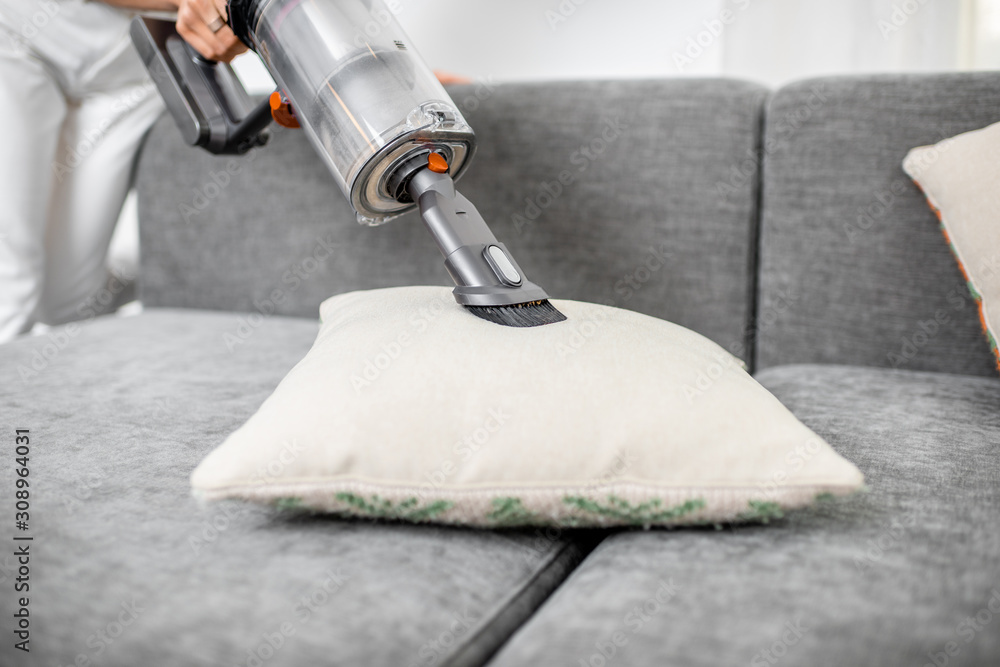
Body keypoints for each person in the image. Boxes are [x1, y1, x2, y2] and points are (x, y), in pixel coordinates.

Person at [0, 0, 244, 342]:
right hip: (20, 33)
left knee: (65, 304)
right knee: (9, 294)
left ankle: (160, 268)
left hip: (140, 64)